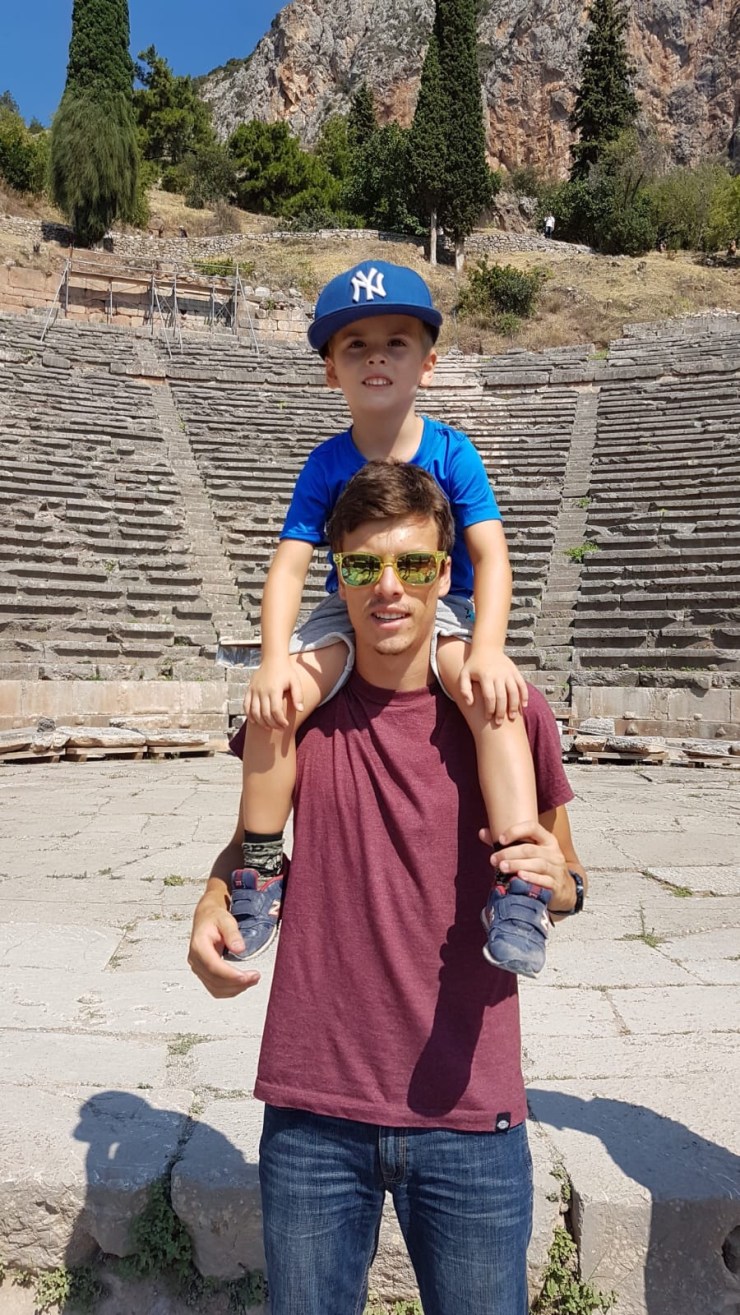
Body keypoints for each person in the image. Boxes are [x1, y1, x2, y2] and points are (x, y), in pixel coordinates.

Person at [188, 462, 588, 1315]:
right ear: (338, 575)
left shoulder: (512, 706)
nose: (389, 587)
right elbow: (248, 846)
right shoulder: (296, 709)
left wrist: (559, 887)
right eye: (365, 565)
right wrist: (212, 899)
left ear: (445, 572)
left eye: (413, 564)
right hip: (314, 1109)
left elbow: (567, 873)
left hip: (470, 1108)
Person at [232, 259, 544, 974]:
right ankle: (261, 867)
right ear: (330, 372)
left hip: (443, 605)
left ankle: (521, 878)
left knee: (491, 698)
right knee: (277, 704)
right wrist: (274, 660)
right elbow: (289, 567)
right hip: (347, 604)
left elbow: (492, 558)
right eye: (355, 345)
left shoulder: (452, 452)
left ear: (427, 364)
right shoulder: (325, 463)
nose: (376, 356)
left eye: (395, 342)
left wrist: (487, 648)